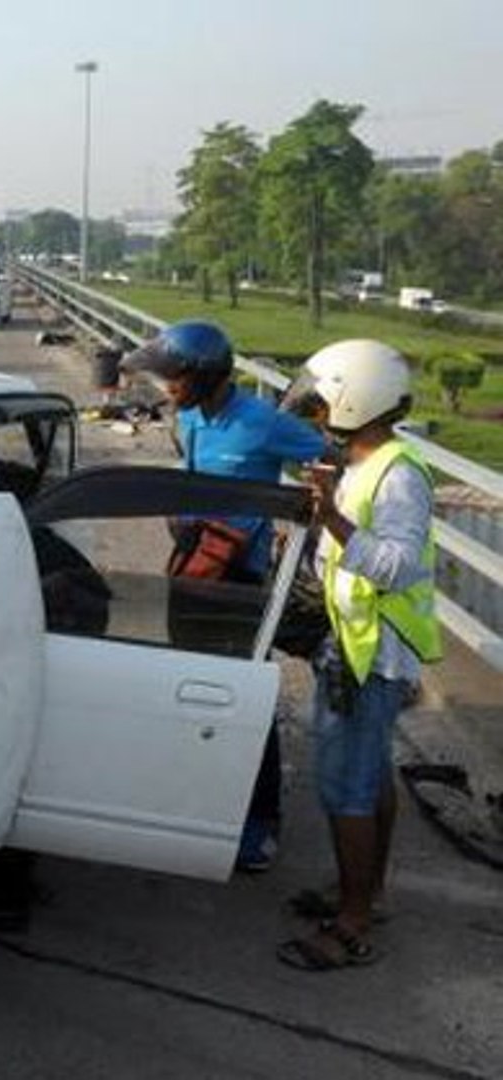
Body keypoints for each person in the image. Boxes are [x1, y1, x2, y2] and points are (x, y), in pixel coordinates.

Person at [122, 319, 327, 872]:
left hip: (239, 579)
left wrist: (308, 511)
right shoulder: (188, 415)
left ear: (207, 375)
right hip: (192, 567)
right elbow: (187, 470)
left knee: (244, 699)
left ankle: (259, 822)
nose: (167, 387)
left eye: (174, 377)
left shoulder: (263, 423)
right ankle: (201, 799)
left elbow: (331, 458)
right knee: (190, 687)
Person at [274, 339, 439, 973]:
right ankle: (367, 893)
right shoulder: (361, 464)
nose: (316, 414)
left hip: (372, 656)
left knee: (347, 786)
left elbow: (395, 566)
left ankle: (352, 923)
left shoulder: (399, 474)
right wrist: (320, 522)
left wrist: (334, 521)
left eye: (322, 403)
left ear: (354, 399)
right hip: (353, 644)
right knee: (370, 777)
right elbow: (346, 552)